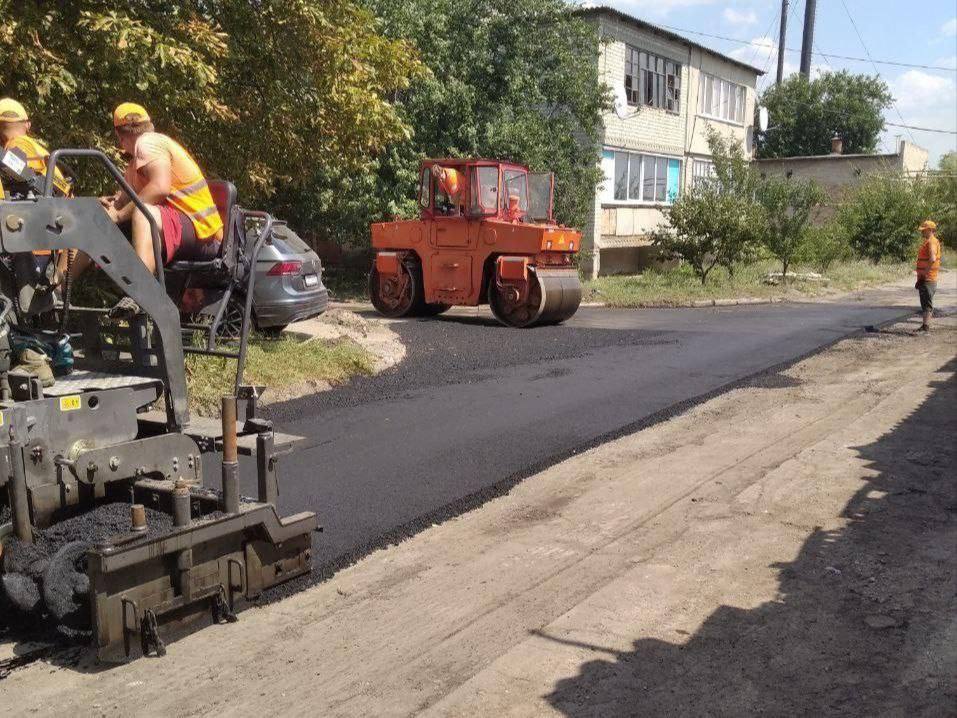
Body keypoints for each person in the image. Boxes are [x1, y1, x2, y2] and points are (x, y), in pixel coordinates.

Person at [75, 103, 224, 292]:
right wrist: (104, 207)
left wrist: (119, 216)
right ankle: (57, 286)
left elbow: (160, 187)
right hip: (187, 231)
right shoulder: (135, 165)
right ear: (149, 124)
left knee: (144, 214)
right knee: (96, 216)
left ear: (120, 138)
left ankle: (142, 293)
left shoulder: (149, 143)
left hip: (204, 235)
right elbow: (121, 201)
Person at [0, 97, 71, 198]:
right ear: (27, 125)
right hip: (60, 200)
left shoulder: (17, 146)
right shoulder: (31, 146)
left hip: (53, 201)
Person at [914, 220, 941, 333]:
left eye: (924, 230)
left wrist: (924, 272)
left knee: (926, 304)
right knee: (925, 302)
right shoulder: (931, 241)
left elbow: (932, 258)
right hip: (927, 278)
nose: (922, 232)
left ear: (930, 230)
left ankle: (925, 327)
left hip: (928, 278)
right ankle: (925, 326)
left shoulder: (931, 242)